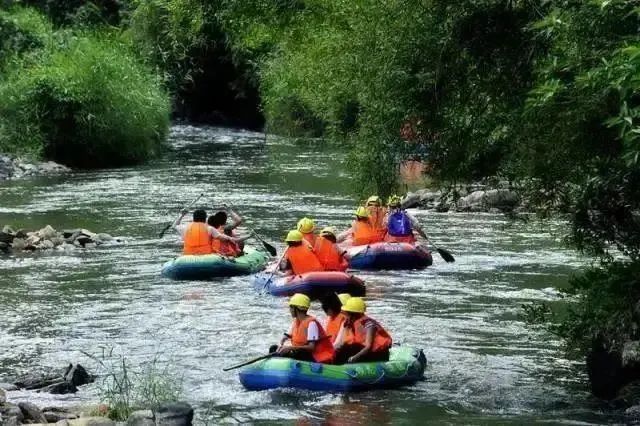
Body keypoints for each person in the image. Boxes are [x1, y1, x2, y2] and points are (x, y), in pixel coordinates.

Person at [271, 293, 335, 363]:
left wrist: (290, 348)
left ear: (297, 309)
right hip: (303, 352)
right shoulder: (297, 321)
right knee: (273, 348)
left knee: (298, 354)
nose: (290, 310)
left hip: (317, 356)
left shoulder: (311, 323)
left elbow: (311, 347)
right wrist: (284, 340)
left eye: (291, 307)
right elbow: (290, 334)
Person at [334, 297, 392, 364]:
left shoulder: (369, 324)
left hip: (378, 354)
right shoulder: (350, 323)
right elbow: (342, 343)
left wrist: (354, 358)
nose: (344, 315)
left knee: (348, 351)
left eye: (346, 313)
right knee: (345, 349)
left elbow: (368, 347)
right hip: (365, 351)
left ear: (352, 314)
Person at [173, 209, 242, 255]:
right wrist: (231, 238)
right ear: (205, 218)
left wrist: (182, 215)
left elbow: (174, 225)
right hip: (206, 255)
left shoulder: (185, 228)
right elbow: (223, 238)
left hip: (188, 254)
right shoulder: (210, 228)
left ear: (194, 218)